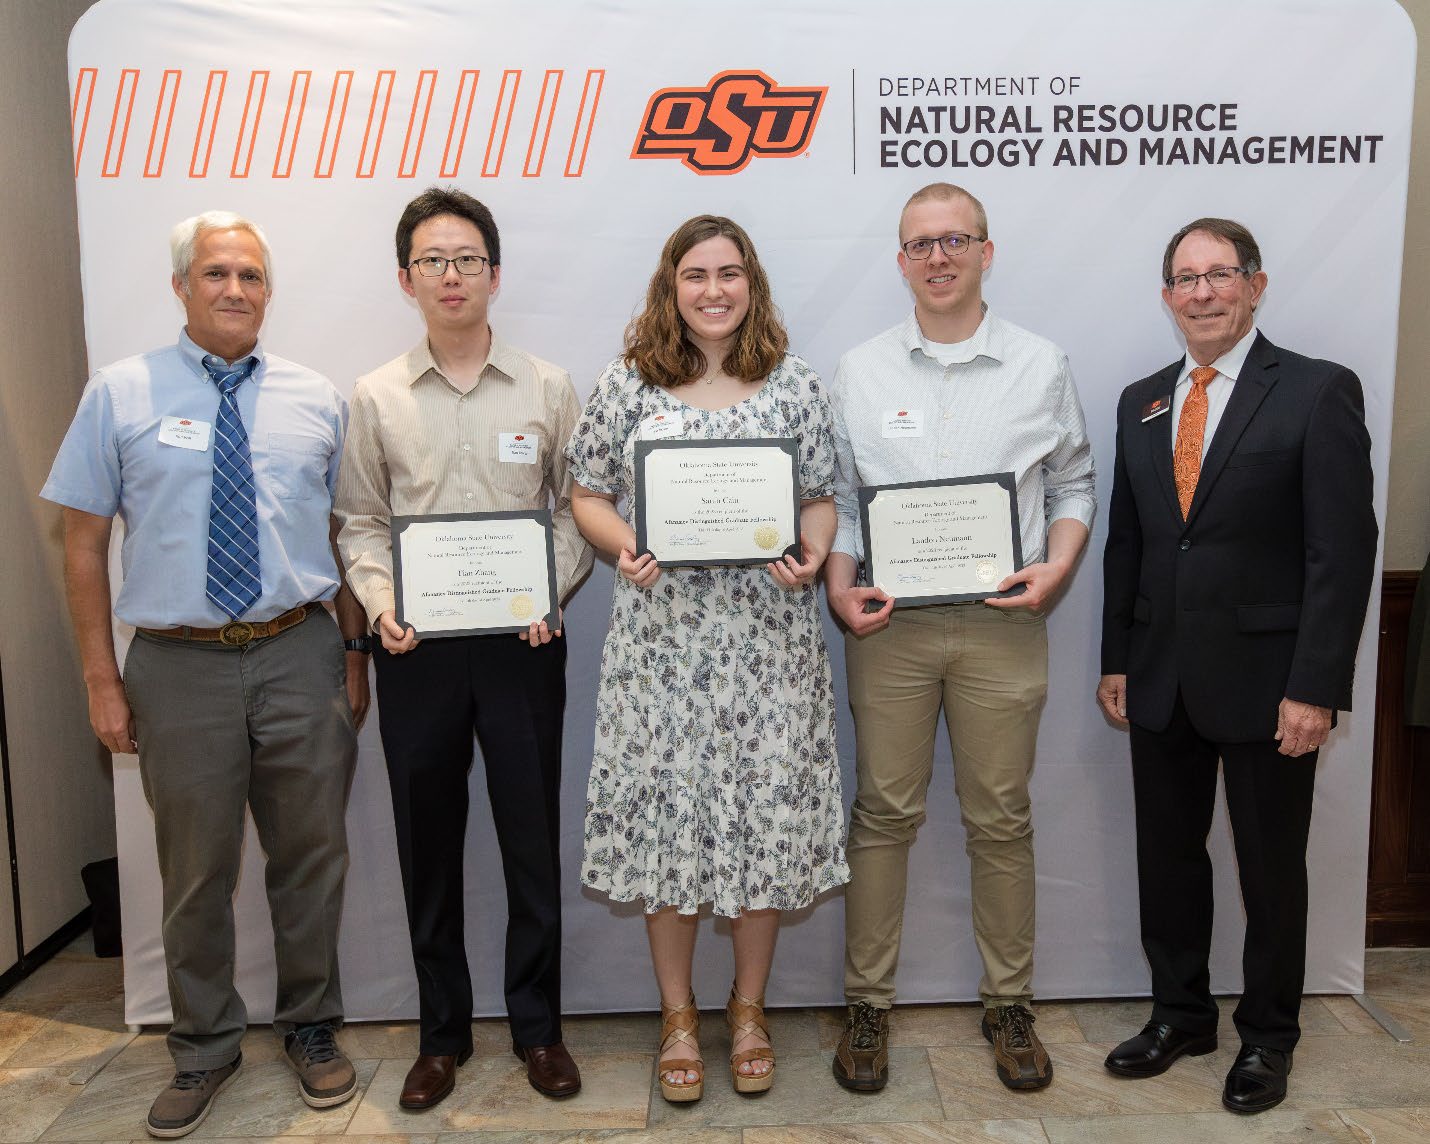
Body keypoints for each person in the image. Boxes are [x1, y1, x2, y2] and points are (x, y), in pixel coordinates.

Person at [41, 210, 370, 1138]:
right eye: (217, 273)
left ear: (269, 291)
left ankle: (311, 1026)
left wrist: (352, 654)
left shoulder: (315, 398)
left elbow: (347, 535)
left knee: (312, 856)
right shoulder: (120, 393)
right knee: (195, 870)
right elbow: (81, 544)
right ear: (181, 286)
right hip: (176, 665)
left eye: (251, 276)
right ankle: (203, 1045)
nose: (235, 289)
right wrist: (101, 679)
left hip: (300, 650)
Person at [566, 214, 848, 1103]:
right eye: (696, 275)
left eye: (729, 273)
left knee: (762, 821)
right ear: (671, 286)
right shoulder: (628, 383)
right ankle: (680, 1017)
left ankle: (749, 1009)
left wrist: (810, 553)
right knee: (668, 827)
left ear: (751, 283)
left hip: (769, 647)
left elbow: (821, 495)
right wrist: (623, 544)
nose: (714, 290)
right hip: (662, 651)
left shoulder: (794, 383)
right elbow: (586, 493)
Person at [1097, 218, 1376, 1114]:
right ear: (1167, 297)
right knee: (1168, 860)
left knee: (1270, 870)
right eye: (1186, 278)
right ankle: (1180, 1015)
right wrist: (1117, 659)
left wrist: (1316, 688)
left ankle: (1267, 1036)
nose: (1203, 292)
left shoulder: (1317, 391)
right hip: (1160, 676)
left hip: (1270, 683)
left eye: (1221, 274)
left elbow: (1341, 554)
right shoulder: (1142, 400)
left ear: (1255, 285)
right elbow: (1131, 541)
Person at [826, 183, 1095, 1093]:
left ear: (986, 249)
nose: (937, 258)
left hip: (1003, 623)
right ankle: (867, 1007)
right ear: (901, 261)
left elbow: (1074, 484)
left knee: (1000, 818)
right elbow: (845, 503)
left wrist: (1057, 566)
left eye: (955, 240)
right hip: (890, 630)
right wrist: (839, 585)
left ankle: (1009, 1004)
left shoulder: (1040, 364)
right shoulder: (861, 370)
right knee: (882, 815)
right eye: (920, 244)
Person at [335, 186, 592, 1109]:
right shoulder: (377, 395)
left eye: (468, 259)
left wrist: (546, 590)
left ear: (494, 273)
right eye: (433, 261)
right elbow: (361, 520)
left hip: (524, 642)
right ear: (407, 279)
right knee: (427, 842)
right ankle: (441, 1036)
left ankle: (539, 1030)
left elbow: (576, 508)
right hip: (417, 651)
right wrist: (380, 603)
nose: (453, 275)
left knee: (531, 839)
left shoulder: (548, 386)